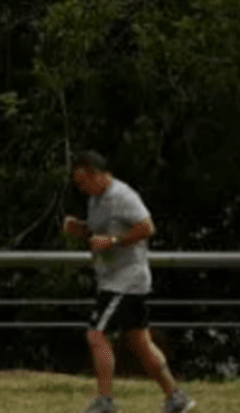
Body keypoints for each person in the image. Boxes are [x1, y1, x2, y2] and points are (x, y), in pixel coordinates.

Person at [62, 150, 195, 413]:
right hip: (113, 278)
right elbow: (99, 236)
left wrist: (113, 242)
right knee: (139, 341)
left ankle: (105, 402)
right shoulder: (95, 200)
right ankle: (176, 397)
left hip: (125, 280)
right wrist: (81, 229)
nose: (80, 188)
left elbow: (147, 227)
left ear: (98, 175)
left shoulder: (123, 196)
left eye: (83, 181)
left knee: (96, 334)